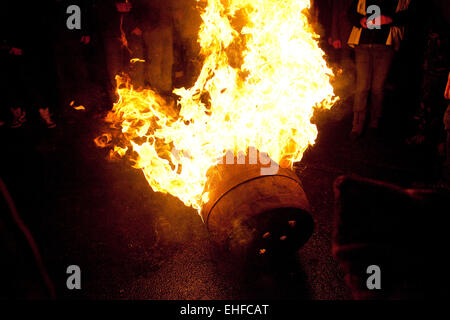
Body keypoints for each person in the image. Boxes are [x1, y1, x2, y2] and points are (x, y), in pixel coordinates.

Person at [347, 0, 411, 140]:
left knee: (378, 87)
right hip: (363, 45)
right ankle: (357, 125)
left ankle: (374, 123)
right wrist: (360, 20)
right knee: (362, 87)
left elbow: (410, 15)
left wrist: (389, 19)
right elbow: (350, 13)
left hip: (384, 47)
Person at [1, 3, 56, 129]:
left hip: (27, 50)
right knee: (12, 84)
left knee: (34, 82)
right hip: (13, 49)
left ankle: (44, 115)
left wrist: (19, 45)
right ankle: (19, 114)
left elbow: (26, 23)